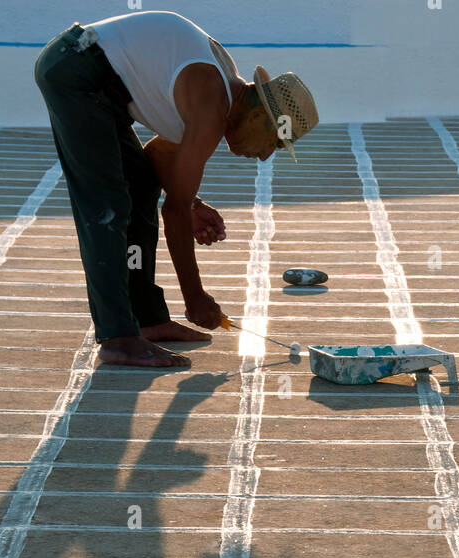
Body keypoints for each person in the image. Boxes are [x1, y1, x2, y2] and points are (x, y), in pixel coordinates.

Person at [34, 11, 319, 369]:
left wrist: (192, 202)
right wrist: (195, 297)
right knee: (106, 207)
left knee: (139, 184)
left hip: (101, 83)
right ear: (261, 116)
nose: (263, 157)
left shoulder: (219, 94)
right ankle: (118, 337)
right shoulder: (212, 102)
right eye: (273, 144)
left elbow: (158, 157)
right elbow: (174, 211)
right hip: (77, 71)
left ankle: (147, 320)